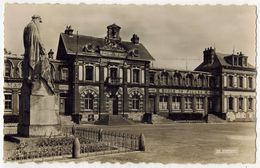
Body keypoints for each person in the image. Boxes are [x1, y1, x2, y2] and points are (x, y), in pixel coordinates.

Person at [23, 15, 54, 93]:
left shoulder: (27, 26)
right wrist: (43, 49)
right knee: (42, 65)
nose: (39, 24)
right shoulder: (33, 26)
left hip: (28, 52)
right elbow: (37, 38)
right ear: (37, 19)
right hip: (34, 53)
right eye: (39, 21)